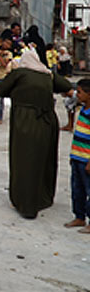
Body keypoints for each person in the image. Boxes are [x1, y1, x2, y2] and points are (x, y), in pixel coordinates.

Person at [0, 49, 74, 219]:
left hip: (25, 122)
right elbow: (67, 87)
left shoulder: (19, 73)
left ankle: (26, 204)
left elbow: (1, 90)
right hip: (48, 121)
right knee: (43, 159)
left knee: (24, 161)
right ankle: (43, 198)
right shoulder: (48, 75)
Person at [64, 79, 90, 233]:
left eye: (80, 92)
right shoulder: (83, 110)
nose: (78, 95)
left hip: (86, 160)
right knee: (77, 189)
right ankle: (79, 217)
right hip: (77, 157)